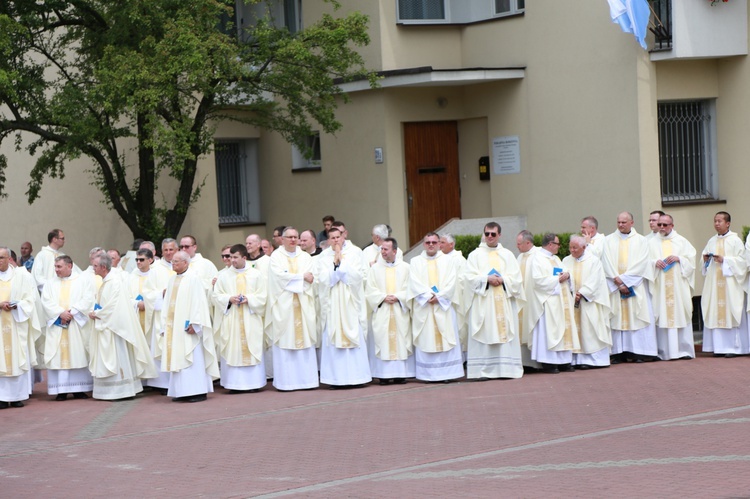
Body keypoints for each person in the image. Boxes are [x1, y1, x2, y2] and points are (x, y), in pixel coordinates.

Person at [88, 253, 156, 400]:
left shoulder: (114, 283)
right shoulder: (106, 282)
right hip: (106, 327)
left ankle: (121, 391)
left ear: (103, 267)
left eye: (95, 266)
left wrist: (97, 313)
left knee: (118, 358)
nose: (92, 268)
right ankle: (107, 392)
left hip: (114, 329)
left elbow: (114, 307)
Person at [464, 222, 525, 379]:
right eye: (487, 234)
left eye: (493, 234)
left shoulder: (508, 255)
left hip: (504, 301)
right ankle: (481, 371)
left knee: (504, 331)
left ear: (499, 235)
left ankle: (506, 370)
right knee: (484, 330)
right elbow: (468, 278)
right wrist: (487, 279)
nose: (489, 237)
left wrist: (503, 280)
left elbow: (517, 279)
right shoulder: (475, 255)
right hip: (484, 302)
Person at [160, 251, 219, 402]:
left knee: (192, 356)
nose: (173, 264)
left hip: (188, 327)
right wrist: (164, 325)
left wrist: (195, 323)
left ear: (186, 263)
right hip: (174, 328)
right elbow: (167, 304)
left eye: (176, 262)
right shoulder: (172, 280)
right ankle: (181, 392)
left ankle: (197, 391)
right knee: (178, 357)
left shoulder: (193, 279)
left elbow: (198, 303)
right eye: (172, 261)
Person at [317, 226, 372, 387]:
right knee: (333, 336)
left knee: (354, 334)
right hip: (333, 304)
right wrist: (335, 269)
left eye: (338, 237)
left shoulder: (356, 253)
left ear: (343, 237)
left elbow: (362, 276)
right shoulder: (323, 257)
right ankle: (335, 379)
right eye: (332, 238)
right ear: (328, 240)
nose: (335, 240)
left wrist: (343, 265)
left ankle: (358, 377)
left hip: (351, 303)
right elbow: (321, 279)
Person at [266, 228, 319, 391]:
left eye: (296, 237)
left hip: (303, 305)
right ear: (282, 239)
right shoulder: (276, 257)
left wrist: (299, 278)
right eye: (289, 237)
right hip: (285, 307)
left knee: (304, 340)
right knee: (286, 340)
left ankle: (307, 381)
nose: (293, 240)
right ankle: (286, 382)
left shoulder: (305, 256)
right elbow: (278, 278)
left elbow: (312, 277)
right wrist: (300, 277)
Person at [601, 212, 657, 363]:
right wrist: (618, 282)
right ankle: (619, 353)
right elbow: (605, 262)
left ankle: (638, 352)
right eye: (618, 222)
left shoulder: (641, 241)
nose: (620, 225)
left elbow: (642, 263)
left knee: (636, 316)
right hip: (616, 286)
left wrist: (626, 281)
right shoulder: (608, 241)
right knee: (617, 317)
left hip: (635, 286)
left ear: (632, 222)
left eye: (624, 222)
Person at [408, 232, 464, 382]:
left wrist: (439, 297)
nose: (431, 245)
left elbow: (452, 282)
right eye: (428, 242)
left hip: (443, 306)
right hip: (425, 307)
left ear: (439, 244)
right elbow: (414, 282)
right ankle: (428, 375)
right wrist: (427, 296)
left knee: (446, 335)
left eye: (434, 242)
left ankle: (448, 374)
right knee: (426, 338)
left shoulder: (448, 260)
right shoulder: (415, 261)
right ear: (423, 244)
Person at [212, 244, 267, 393]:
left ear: (244, 257)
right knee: (233, 348)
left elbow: (263, 296)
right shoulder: (223, 275)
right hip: (232, 319)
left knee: (252, 345)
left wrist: (249, 299)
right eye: (231, 257)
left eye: (235, 257)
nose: (232, 260)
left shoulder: (256, 274)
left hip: (250, 317)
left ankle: (253, 383)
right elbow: (216, 296)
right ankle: (234, 384)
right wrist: (229, 298)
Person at [40, 255, 95, 400]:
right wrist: (60, 313)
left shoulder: (83, 280)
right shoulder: (50, 283)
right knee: (59, 355)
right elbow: (46, 301)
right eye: (55, 267)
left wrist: (73, 312)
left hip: (76, 324)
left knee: (77, 353)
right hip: (58, 324)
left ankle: (79, 389)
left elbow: (89, 298)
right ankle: (61, 390)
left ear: (69, 266)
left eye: (59, 267)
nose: (56, 270)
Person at [526, 234, 580, 373]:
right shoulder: (537, 259)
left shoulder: (556, 259)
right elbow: (537, 281)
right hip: (548, 301)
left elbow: (565, 272)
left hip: (562, 301)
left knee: (564, 329)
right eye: (557, 244)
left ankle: (564, 362)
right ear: (550, 244)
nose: (559, 246)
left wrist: (568, 276)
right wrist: (557, 279)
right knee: (549, 331)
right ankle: (549, 363)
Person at [647, 214, 696, 360]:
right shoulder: (650, 242)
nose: (661, 227)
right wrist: (654, 263)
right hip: (660, 287)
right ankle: (663, 352)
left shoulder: (681, 242)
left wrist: (679, 258)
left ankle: (683, 350)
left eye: (665, 225)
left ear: (672, 226)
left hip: (677, 288)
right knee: (661, 314)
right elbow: (643, 261)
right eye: (660, 224)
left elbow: (691, 261)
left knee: (680, 314)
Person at [366, 237, 414, 384]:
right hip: (383, 309)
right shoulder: (374, 269)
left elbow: (410, 288)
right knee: (383, 339)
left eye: (386, 249)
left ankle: (400, 374)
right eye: (381, 249)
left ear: (394, 251)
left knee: (401, 338)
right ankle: (383, 375)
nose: (383, 252)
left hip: (399, 309)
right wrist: (383, 297)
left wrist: (399, 297)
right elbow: (369, 290)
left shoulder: (405, 267)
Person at [701, 211, 748, 357]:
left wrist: (725, 260)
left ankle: (734, 348)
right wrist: (705, 259)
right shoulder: (711, 241)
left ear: (728, 223)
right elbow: (704, 263)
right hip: (715, 285)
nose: (716, 224)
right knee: (716, 311)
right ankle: (719, 348)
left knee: (731, 312)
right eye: (715, 221)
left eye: (719, 221)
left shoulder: (735, 241)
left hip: (730, 285)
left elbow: (743, 263)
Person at [0, 247, 42, 409]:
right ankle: (2, 398)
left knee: (17, 359)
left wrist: (17, 305)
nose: (0, 261)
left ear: (9, 258)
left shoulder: (21, 276)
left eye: (2, 258)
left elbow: (30, 300)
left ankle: (18, 396)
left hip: (17, 325)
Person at [562, 236, 612, 368]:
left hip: (589, 301)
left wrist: (583, 292)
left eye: (575, 248)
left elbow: (596, 280)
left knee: (589, 329)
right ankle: (576, 359)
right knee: (575, 329)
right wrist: (571, 290)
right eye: (570, 247)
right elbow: (564, 276)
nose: (572, 250)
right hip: (572, 300)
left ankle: (592, 360)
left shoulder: (594, 261)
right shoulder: (566, 260)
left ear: (584, 248)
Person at [129, 248, 171, 392]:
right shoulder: (130, 277)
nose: (138, 262)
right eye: (137, 260)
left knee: (157, 349)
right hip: (137, 317)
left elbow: (160, 293)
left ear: (150, 260)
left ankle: (160, 383)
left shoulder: (158, 272)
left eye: (141, 259)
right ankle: (143, 381)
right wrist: (136, 304)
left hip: (153, 318)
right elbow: (125, 297)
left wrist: (155, 298)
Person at [515, 230, 542, 370]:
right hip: (522, 299)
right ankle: (524, 362)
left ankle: (535, 362)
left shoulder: (539, 255)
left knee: (531, 327)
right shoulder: (520, 257)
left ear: (528, 242)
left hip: (533, 300)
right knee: (521, 329)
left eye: (519, 244)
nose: (517, 246)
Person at [439, 233, 468, 357]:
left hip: (455, 299)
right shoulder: (439, 259)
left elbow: (462, 279)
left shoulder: (459, 259)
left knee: (457, 326)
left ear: (451, 245)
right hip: (441, 299)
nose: (439, 245)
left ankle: (460, 357)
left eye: (442, 243)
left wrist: (449, 290)